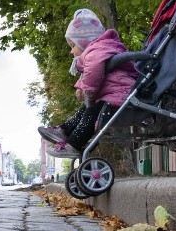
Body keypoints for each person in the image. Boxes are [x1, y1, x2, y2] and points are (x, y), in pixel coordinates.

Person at [37, 8, 138, 158]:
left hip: (120, 94)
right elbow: (89, 72)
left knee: (90, 114)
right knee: (85, 110)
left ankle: (74, 144)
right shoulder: (99, 49)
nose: (71, 51)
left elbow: (94, 70)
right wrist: (80, 86)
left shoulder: (96, 51)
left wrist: (88, 90)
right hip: (113, 93)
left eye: (73, 46)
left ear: (85, 41)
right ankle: (63, 131)